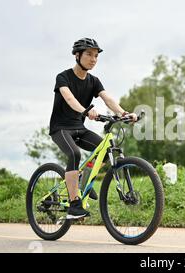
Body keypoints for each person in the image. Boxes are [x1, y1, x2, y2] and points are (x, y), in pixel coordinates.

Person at [49, 38, 137, 219]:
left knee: (104, 152)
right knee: (74, 154)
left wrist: (124, 113)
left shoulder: (94, 81)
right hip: (61, 128)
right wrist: (86, 110)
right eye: (89, 54)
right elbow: (69, 98)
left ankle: (84, 183)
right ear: (77, 55)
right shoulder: (63, 77)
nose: (93, 59)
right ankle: (74, 205)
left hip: (78, 127)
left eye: (96, 56)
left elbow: (108, 99)